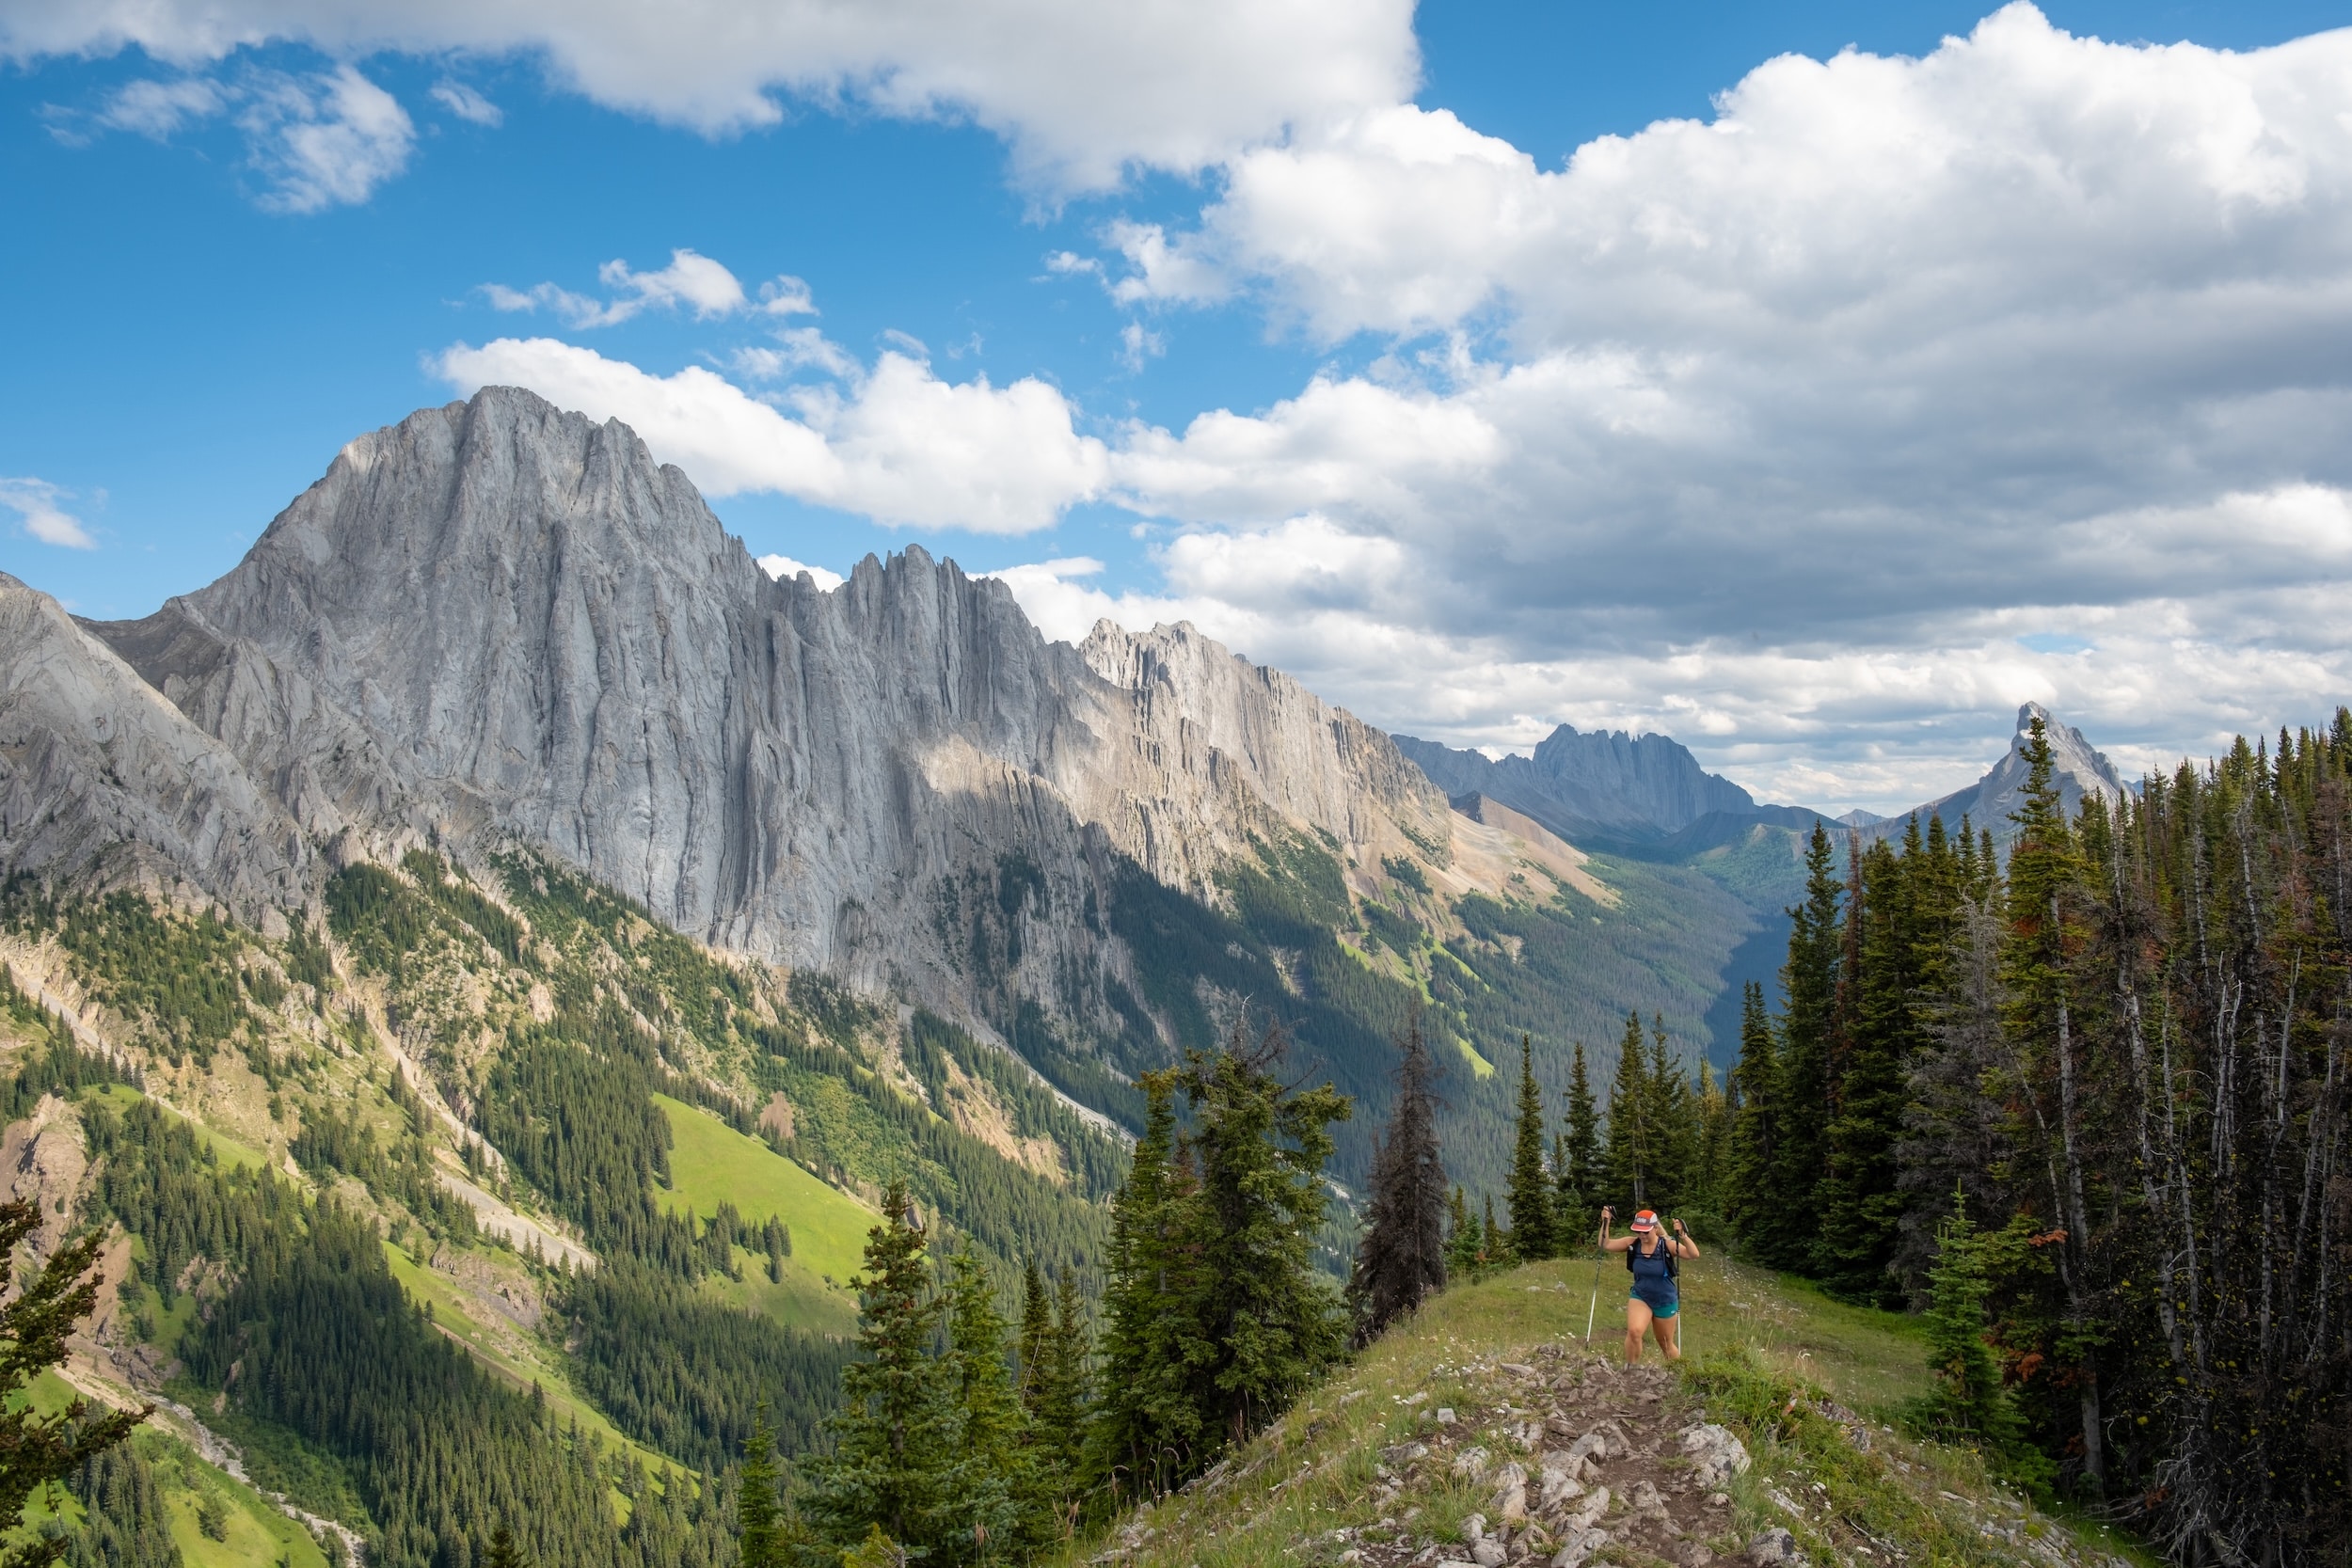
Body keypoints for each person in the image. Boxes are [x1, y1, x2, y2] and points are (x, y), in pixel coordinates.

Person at [1597, 1207, 1698, 1363]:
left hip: (1665, 1300)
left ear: (1655, 1229)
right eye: (1638, 1231)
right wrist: (1606, 1222)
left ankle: (1678, 1372)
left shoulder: (1667, 1245)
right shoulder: (1632, 1244)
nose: (1642, 1235)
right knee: (1634, 1332)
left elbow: (1693, 1254)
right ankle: (1631, 1370)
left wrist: (1683, 1236)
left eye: (1646, 1231)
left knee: (1665, 1343)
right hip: (1641, 1295)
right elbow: (1605, 1244)